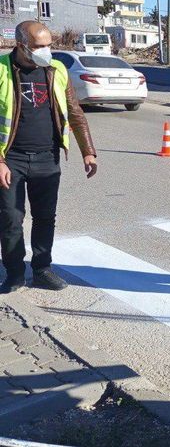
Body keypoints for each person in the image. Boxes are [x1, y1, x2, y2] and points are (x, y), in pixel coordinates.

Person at [0, 21, 98, 293]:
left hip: (47, 156)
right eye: (39, 47)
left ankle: (42, 269)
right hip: (11, 158)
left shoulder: (57, 70)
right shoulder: (1, 69)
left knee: (45, 217)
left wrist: (88, 151)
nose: (47, 51)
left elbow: (75, 112)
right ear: (21, 46)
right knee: (10, 218)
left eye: (49, 45)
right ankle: (15, 273)